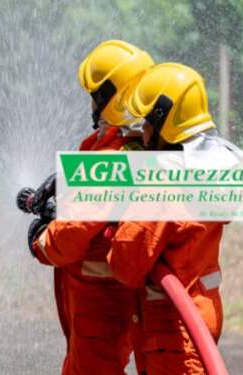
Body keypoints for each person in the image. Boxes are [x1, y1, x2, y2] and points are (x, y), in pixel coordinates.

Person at [27, 40, 153, 374]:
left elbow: (73, 233)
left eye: (94, 94)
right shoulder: (133, 147)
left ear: (109, 96)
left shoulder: (114, 158)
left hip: (100, 300)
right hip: (103, 297)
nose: (91, 103)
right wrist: (64, 183)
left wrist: (41, 240)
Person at [107, 63, 242, 374]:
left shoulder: (165, 184)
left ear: (162, 119)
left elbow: (126, 263)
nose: (142, 132)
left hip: (172, 332)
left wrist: (119, 217)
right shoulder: (209, 166)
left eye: (146, 124)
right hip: (197, 316)